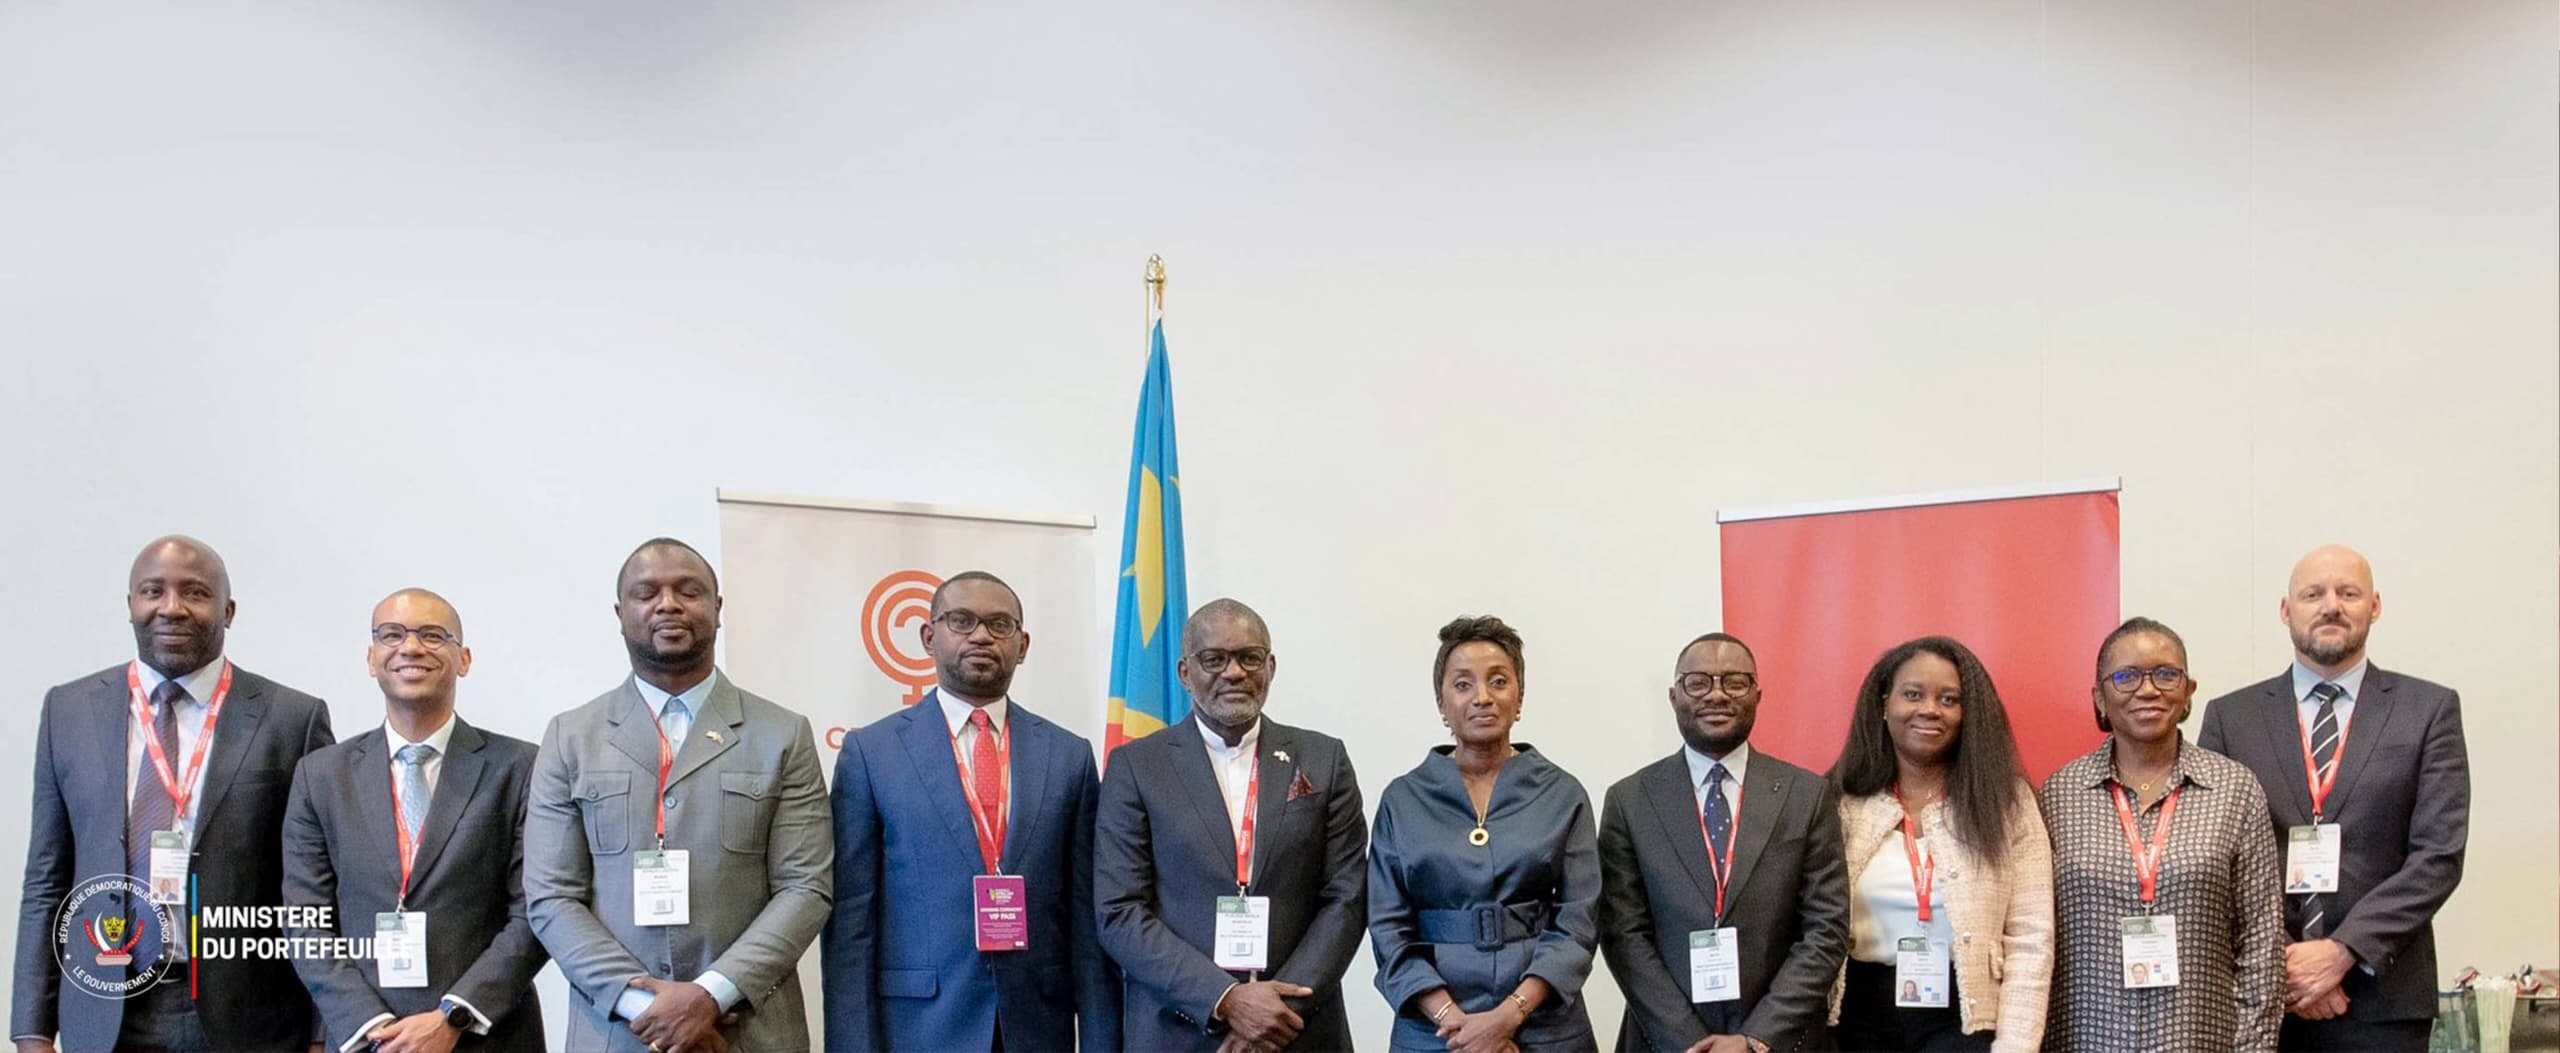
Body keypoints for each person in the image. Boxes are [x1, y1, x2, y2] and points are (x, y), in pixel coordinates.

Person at [12, 536, 336, 1053]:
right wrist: (31, 1029)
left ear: (228, 611)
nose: (171, 607)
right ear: (130, 605)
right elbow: (46, 880)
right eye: (152, 591)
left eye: (195, 593)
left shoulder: (292, 719)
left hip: (252, 1018)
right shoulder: (67, 712)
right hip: (104, 1011)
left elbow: (318, 890)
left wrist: (323, 1031)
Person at [523, 538, 832, 1053]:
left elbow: (806, 887)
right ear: (620, 615)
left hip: (746, 1032)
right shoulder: (570, 737)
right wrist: (644, 1007)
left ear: (717, 608)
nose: (668, 605)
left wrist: (710, 996)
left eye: (688, 591)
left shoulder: (783, 733)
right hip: (617, 1034)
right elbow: (551, 896)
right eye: (647, 593)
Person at [824, 571, 1118, 1052]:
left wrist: (1102, 1041)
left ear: (1022, 646)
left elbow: (1087, 918)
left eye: (1000, 625)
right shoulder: (871, 753)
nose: (981, 636)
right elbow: (851, 923)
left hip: (1038, 1026)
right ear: (928, 637)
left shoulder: (1069, 756)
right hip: (920, 1027)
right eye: (961, 621)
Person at [2196, 545, 2470, 1052]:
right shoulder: (2231, 719)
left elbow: (2438, 856)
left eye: (2348, 593)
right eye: (2313, 594)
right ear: (2286, 610)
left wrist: (2342, 951)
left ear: (2375, 606)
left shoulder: (2428, 710)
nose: (2331, 607)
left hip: (2383, 1002)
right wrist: (2285, 963)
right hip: (2262, 996)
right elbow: (2210, 859)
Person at [1096, 598, 1370, 1052]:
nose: (1234, 672)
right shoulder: (1136, 767)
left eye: (1249, 658)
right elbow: (1119, 910)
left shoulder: (1324, 759)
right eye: (1214, 659)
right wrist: (1225, 1000)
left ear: (1271, 667)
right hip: (1179, 1029)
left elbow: (1347, 896)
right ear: (1185, 673)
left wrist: (1277, 1013)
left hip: (1298, 1030)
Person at [283, 588, 548, 1052]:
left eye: (432, 635)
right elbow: (305, 919)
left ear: (464, 659)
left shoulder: (521, 767)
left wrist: (453, 1017)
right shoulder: (321, 775)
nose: (410, 647)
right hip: (368, 1039)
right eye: (392, 635)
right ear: (371, 658)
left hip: (488, 1036)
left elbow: (536, 911)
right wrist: (372, 1025)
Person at [1598, 631, 1848, 1053]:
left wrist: (1757, 1037)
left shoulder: (1806, 795)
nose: (1717, 695)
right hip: (1665, 1041)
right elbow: (1623, 933)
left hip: (1781, 1039)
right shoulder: (1630, 800)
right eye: (1698, 682)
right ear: (1674, 697)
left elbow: (1826, 929)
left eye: (1735, 682)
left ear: (1758, 696)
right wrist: (1687, 1038)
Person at [2041, 617, 2281, 1053]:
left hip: (2200, 1039)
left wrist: (2253, 1047)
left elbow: (2261, 940)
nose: (2148, 690)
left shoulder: (2235, 789)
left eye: (2166, 674)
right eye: (2126, 677)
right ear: (2099, 697)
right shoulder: (2059, 795)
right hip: (2086, 1039)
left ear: (2188, 691)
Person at [1368, 616, 1599, 1053]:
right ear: (1441, 703)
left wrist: (1508, 1017)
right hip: (1435, 1031)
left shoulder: (1562, 793)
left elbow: (1579, 919)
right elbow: (1387, 925)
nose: (1482, 697)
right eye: (1463, 684)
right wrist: (1455, 1024)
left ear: (1519, 697)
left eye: (1498, 681)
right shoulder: (1403, 799)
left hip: (1543, 1024)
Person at [1826, 637, 2052, 1052]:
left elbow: (2031, 936)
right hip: (1859, 1017)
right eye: (1913, 694)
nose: (1930, 709)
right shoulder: (1842, 801)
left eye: (1949, 700)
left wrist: (2016, 1044)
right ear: (1884, 704)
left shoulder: (2007, 802)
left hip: (1965, 1019)